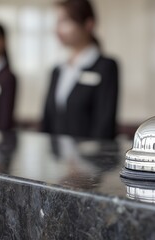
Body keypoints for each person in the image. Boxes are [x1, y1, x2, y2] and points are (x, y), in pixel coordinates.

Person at [41, 0, 119, 139]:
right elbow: (47, 121)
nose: (57, 29)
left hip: (90, 158)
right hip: (56, 158)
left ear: (88, 24)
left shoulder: (105, 67)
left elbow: (104, 124)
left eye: (65, 21)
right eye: (57, 22)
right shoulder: (57, 70)